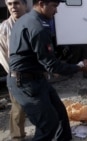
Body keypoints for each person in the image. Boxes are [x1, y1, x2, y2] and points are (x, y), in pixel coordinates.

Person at [7, 0, 87, 140]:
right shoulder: (37, 27)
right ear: (41, 4)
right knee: (48, 125)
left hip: (36, 78)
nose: (56, 11)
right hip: (25, 83)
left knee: (60, 114)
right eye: (54, 6)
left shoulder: (26, 20)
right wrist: (80, 67)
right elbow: (53, 66)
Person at [0, 0, 27, 140]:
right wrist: (13, 73)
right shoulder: (4, 28)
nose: (13, 7)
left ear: (24, 5)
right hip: (16, 75)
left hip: (35, 75)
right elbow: (3, 55)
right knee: (18, 109)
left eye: (16, 3)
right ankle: (17, 137)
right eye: (10, 4)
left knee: (41, 107)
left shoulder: (33, 23)